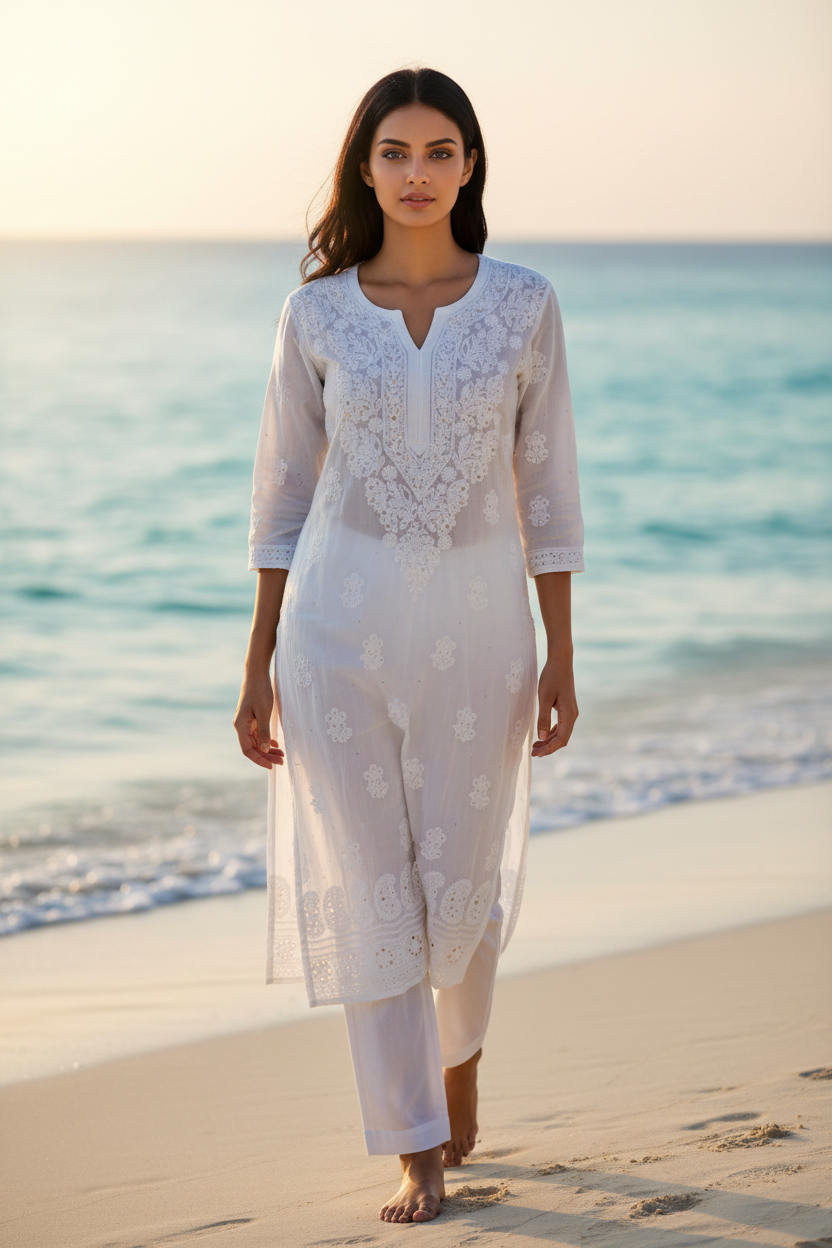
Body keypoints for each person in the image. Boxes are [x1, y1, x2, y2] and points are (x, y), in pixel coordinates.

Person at [233, 66, 583, 1225]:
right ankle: (411, 1144)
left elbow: (548, 490)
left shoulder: (525, 305)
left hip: (482, 637)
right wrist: (255, 668)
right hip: (332, 638)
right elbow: (280, 502)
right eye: (395, 152)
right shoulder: (316, 313)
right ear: (364, 165)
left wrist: (563, 654)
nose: (417, 173)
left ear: (470, 164)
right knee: (370, 889)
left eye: (439, 152)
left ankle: (460, 1056)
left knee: (461, 887)